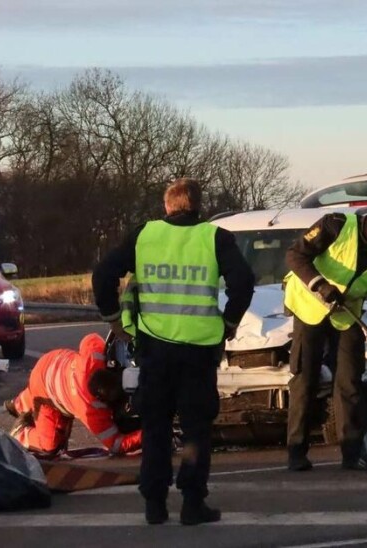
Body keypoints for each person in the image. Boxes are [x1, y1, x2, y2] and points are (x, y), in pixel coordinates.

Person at [92, 178, 255, 526]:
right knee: (196, 429)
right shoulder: (215, 237)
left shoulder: (144, 235)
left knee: (155, 427)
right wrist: (229, 322)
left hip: (155, 349)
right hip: (198, 351)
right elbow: (243, 282)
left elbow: (103, 273)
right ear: (199, 207)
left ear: (167, 206)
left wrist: (113, 318)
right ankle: (193, 503)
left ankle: (154, 503)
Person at [283, 205, 367, 472]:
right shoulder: (335, 225)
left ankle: (352, 452)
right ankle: (296, 450)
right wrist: (319, 284)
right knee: (306, 379)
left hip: (345, 314)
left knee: (350, 381)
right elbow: (295, 256)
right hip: (310, 307)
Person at [5, 332, 141, 457]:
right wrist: (148, 434)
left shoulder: (95, 357)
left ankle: (18, 404)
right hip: (46, 394)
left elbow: (91, 337)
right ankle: (19, 435)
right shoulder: (90, 410)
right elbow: (117, 445)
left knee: (33, 393)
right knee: (49, 447)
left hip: (50, 361)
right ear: (101, 400)